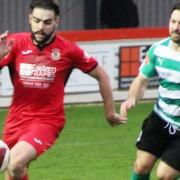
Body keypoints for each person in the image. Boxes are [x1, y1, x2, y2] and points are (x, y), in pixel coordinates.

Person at [0, 0, 126, 179]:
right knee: (13, 171)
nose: (40, 27)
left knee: (15, 163)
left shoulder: (68, 50)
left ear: (56, 21)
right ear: (29, 18)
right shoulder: (14, 44)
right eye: (36, 20)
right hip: (16, 119)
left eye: (47, 22)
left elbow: (102, 76)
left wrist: (110, 113)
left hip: (47, 120)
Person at [120, 1, 180, 179]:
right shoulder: (158, 50)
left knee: (164, 175)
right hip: (160, 118)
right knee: (141, 167)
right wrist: (131, 98)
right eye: (173, 21)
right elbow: (141, 80)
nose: (176, 28)